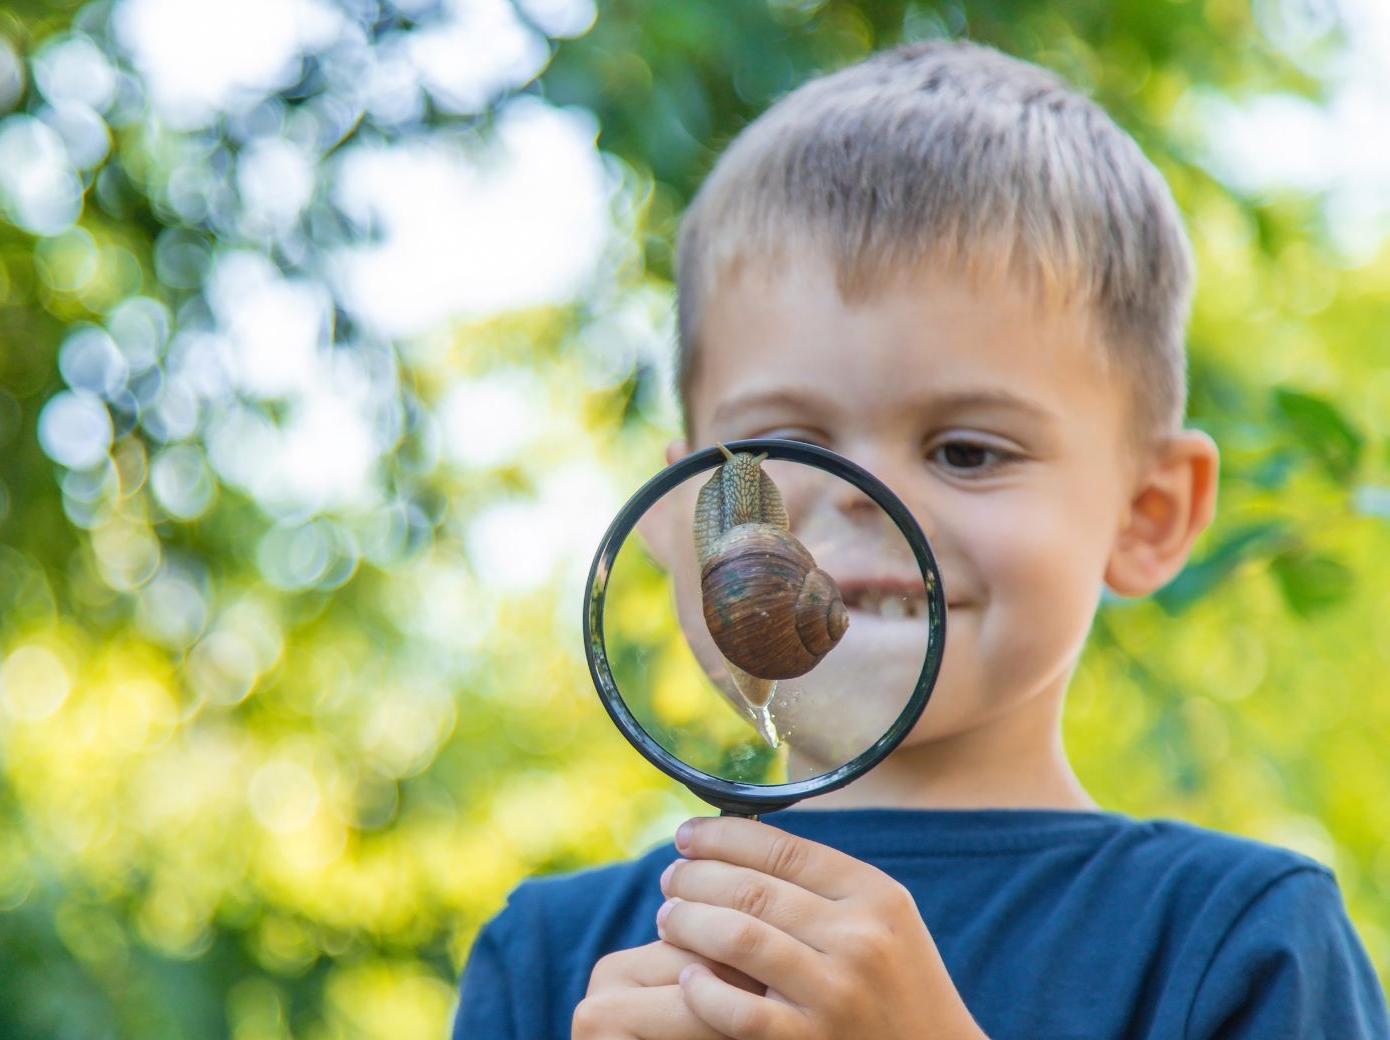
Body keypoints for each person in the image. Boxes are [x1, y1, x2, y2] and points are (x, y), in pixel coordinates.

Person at [451, 40, 1390, 1039]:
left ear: (1146, 513)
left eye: (966, 449)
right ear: (673, 510)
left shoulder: (1238, 938)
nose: (865, 497)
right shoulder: (549, 958)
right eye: (788, 446)